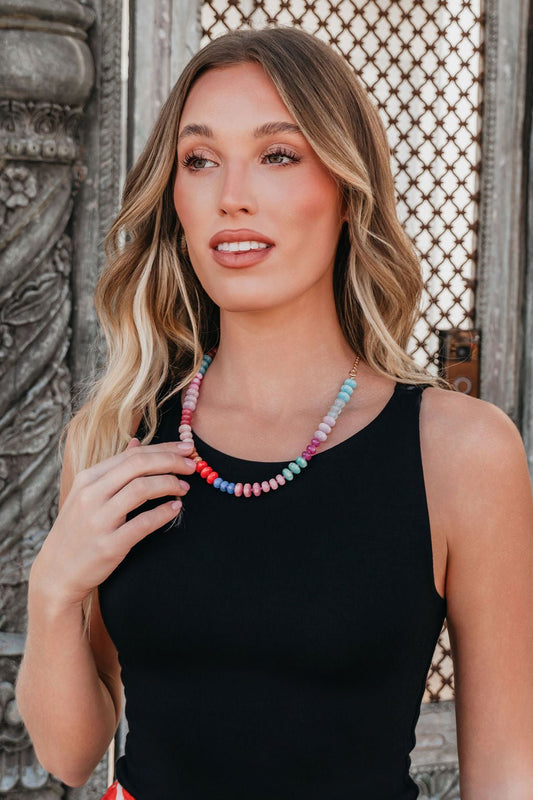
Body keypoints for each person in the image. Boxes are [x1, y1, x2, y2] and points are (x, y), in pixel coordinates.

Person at [15, 26, 533, 800]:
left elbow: (504, 773)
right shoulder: (117, 434)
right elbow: (69, 752)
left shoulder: (460, 452)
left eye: (278, 154)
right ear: (175, 198)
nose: (232, 195)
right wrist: (52, 588)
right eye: (199, 159)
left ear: (345, 190)